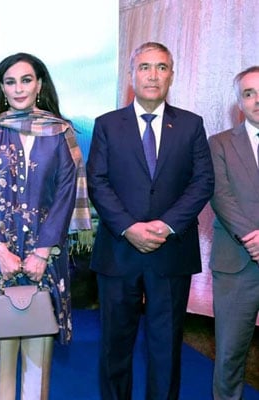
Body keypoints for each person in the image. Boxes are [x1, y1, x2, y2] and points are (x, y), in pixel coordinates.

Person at [0, 52, 91, 400]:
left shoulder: (61, 132)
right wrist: (0, 250)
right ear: (1, 87)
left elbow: (65, 194)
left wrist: (42, 252)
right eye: (10, 81)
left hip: (46, 257)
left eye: (26, 79)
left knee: (38, 359)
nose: (19, 88)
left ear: (40, 84)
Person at [86, 42, 214, 400]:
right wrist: (129, 227)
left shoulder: (190, 124)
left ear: (171, 74)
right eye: (145, 67)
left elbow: (203, 181)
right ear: (131, 75)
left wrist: (166, 225)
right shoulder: (107, 125)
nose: (153, 75)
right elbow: (98, 180)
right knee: (114, 347)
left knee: (166, 349)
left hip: (170, 252)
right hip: (118, 251)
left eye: (161, 67)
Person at [208, 65, 259, 400]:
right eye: (249, 93)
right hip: (238, 264)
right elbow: (220, 196)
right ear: (239, 103)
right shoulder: (220, 144)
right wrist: (253, 238)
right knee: (229, 355)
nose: (257, 100)